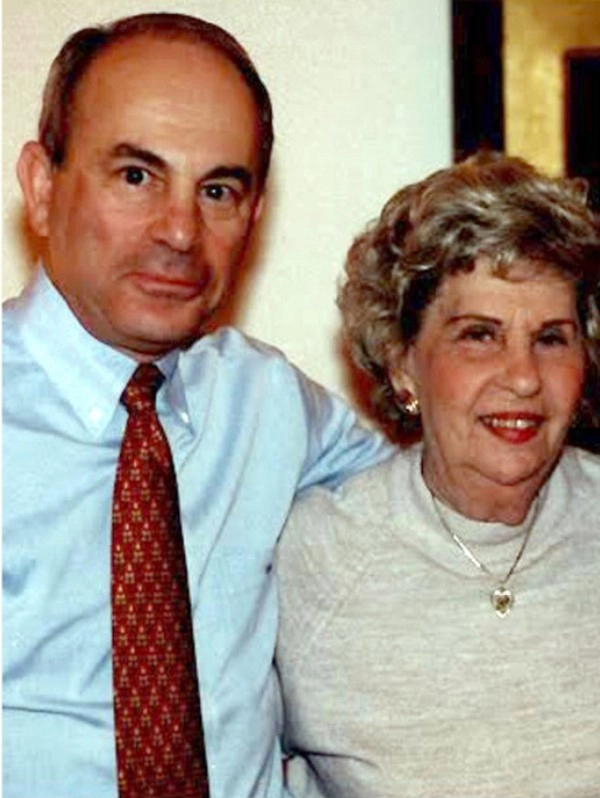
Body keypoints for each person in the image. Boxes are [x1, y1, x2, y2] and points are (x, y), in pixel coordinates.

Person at [2, 13, 391, 798]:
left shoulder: (267, 402)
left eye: (217, 190)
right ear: (42, 188)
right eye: (136, 176)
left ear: (253, 217)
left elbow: (437, 503)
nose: (180, 232)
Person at [276, 153, 600, 797]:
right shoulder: (311, 560)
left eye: (551, 338)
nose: (523, 377)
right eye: (479, 335)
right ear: (403, 364)